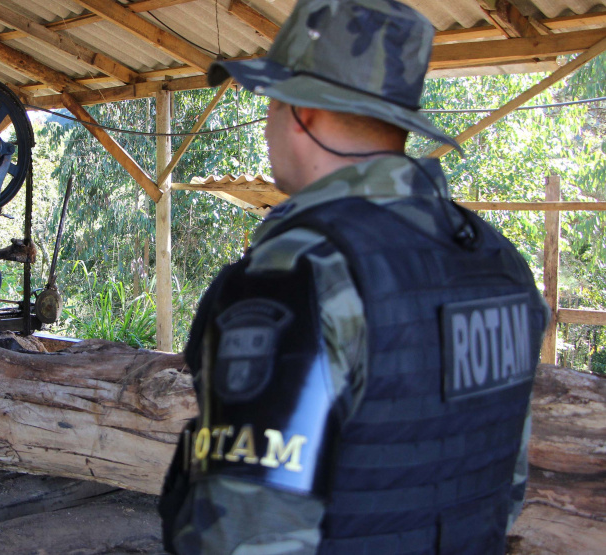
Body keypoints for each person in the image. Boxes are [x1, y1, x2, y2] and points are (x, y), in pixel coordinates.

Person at [158, 0, 550, 553]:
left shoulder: (300, 270)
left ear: (304, 113)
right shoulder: (497, 262)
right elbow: (505, 487)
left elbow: (247, 534)